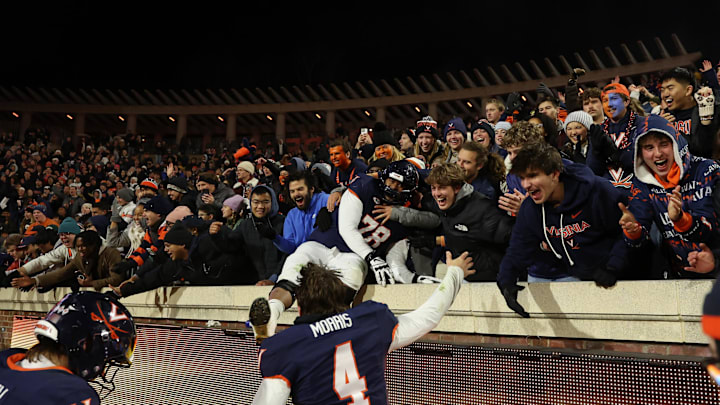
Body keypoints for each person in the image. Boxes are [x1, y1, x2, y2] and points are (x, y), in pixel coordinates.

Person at [251, 251, 474, 405]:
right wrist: (454, 272)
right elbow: (429, 316)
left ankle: (267, 327)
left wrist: (269, 347)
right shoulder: (371, 320)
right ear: (342, 299)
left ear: (300, 306)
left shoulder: (287, 346)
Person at [250, 161, 421, 343]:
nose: (392, 187)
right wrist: (371, 256)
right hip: (323, 242)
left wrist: (413, 278)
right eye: (391, 181)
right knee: (295, 265)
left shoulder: (405, 220)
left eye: (399, 184)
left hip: (353, 257)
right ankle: (271, 314)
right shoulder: (365, 185)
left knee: (351, 278)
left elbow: (425, 226)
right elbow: (347, 227)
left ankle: (328, 332)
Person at [497, 142, 628, 318]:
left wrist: (613, 267)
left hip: (626, 277)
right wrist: (506, 281)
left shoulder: (598, 191)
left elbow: (627, 231)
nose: (526, 185)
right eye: (522, 178)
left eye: (533, 176)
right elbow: (518, 248)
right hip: (583, 278)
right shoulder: (531, 208)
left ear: (554, 174)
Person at [619, 114, 720, 278]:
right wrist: (633, 231)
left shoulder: (707, 170)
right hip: (679, 275)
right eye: (649, 148)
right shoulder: (642, 183)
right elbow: (638, 239)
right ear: (640, 152)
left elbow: (710, 227)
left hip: (715, 268)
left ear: (676, 144)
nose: (657, 154)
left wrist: (681, 219)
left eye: (664, 144)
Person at [0, 291, 135, 404]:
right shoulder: (72, 393)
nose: (103, 372)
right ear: (87, 344)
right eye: (104, 361)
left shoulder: (7, 359)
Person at [420, 163, 513, 281]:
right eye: (434, 188)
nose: (437, 193)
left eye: (442, 187)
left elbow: (513, 237)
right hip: (465, 278)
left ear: (457, 187)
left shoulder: (482, 210)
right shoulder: (445, 205)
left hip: (491, 281)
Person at [209, 185, 286, 285]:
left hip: (281, 282)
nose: (260, 207)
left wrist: (274, 278)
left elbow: (287, 255)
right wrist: (216, 235)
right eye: (256, 202)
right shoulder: (245, 225)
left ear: (273, 202)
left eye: (265, 202)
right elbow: (231, 246)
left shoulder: (284, 222)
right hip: (255, 284)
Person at [13, 230, 124, 291]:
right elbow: (61, 274)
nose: (80, 249)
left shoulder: (111, 254)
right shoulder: (80, 257)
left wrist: (91, 283)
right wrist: (34, 281)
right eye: (78, 246)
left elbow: (117, 279)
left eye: (83, 246)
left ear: (94, 245)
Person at [659, 67, 720, 158]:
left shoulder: (710, 108)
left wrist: (705, 117)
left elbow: (703, 151)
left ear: (688, 90)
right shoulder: (664, 117)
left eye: (670, 88)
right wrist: (658, 129)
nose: (665, 94)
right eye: (662, 89)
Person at [269, 171, 329, 254]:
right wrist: (274, 237)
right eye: (292, 191)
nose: (296, 194)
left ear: (311, 189)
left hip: (330, 257)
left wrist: (330, 211)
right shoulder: (292, 215)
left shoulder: (326, 200)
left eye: (300, 189)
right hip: (305, 260)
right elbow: (291, 248)